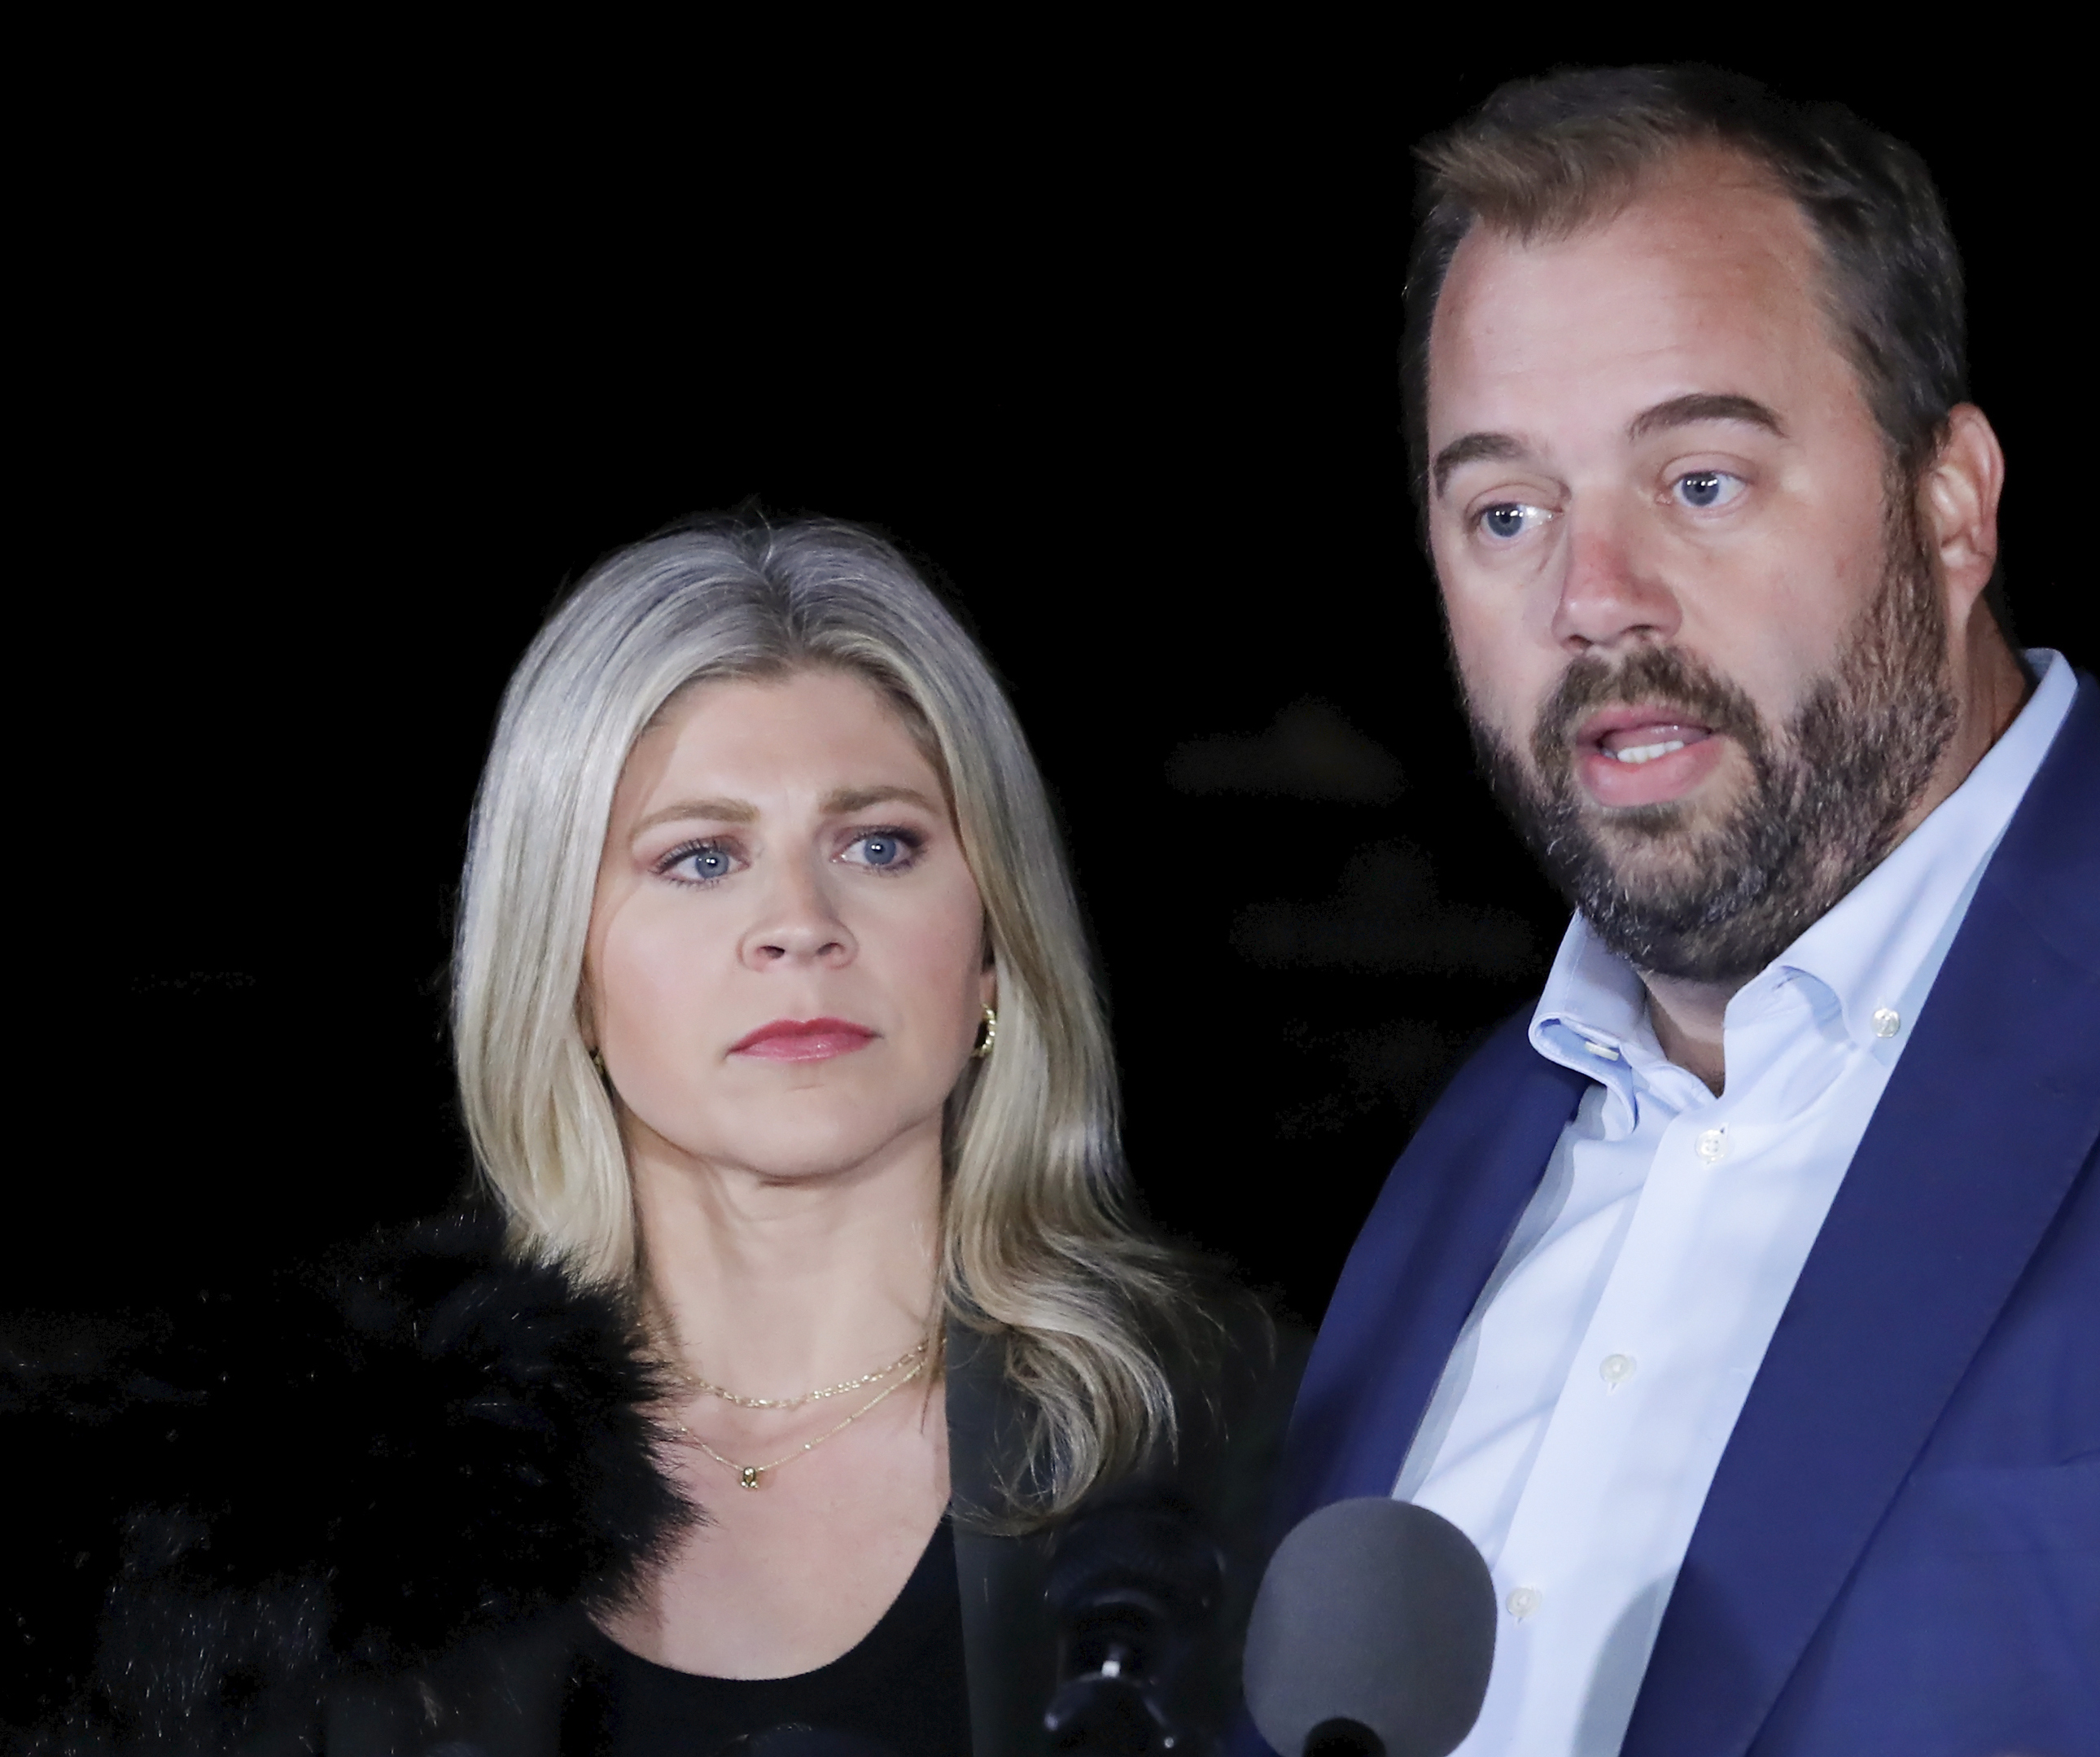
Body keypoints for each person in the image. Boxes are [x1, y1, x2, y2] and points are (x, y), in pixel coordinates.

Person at [1262, 65, 2100, 1756]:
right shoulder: (1463, 1155)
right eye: (1504, 513)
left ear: (1949, 504)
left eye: (1697, 481)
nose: (1590, 598)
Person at [10, 516, 1291, 1755]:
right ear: (562, 964)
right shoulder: (298, 1502)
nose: (799, 921)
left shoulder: (1221, 1443)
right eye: (698, 859)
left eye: (880, 842)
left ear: (997, 951)